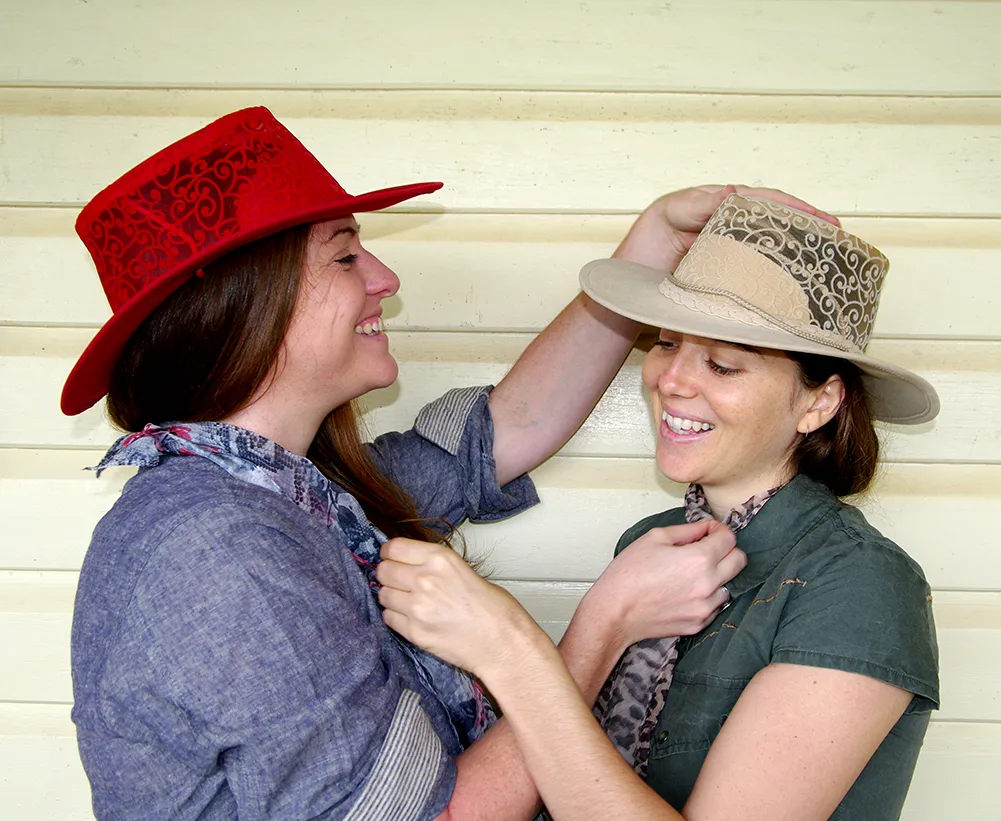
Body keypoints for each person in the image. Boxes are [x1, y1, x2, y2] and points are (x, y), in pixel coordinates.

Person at [64, 106, 831, 819]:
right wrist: (604, 624)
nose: (384, 280)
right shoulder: (220, 551)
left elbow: (512, 424)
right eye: (344, 255)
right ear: (247, 303)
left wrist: (654, 239)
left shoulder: (308, 494)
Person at [378, 194, 941, 821]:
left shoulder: (859, 583)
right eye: (668, 344)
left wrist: (515, 656)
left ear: (819, 403)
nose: (671, 379)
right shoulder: (652, 541)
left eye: (723, 364)